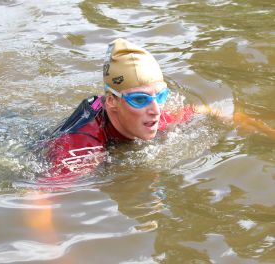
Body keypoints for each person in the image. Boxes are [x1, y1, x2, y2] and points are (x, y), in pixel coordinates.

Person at [43, 38, 275, 182]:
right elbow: (40, 198)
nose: (155, 109)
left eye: (160, 96)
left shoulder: (152, 114)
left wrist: (259, 127)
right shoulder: (80, 146)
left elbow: (205, 110)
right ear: (112, 101)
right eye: (140, 99)